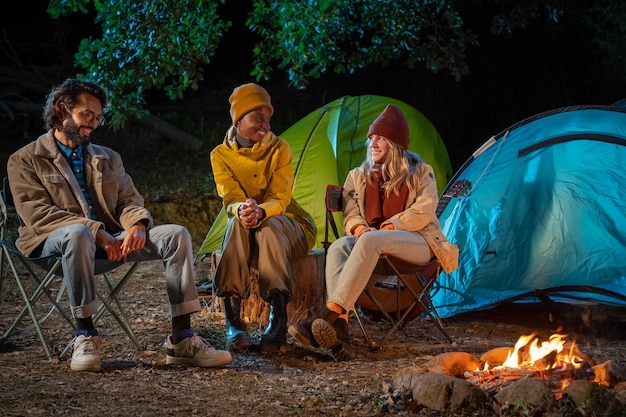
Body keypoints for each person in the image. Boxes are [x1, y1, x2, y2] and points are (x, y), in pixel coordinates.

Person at [7, 78, 232, 371]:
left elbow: (128, 200)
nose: (94, 123)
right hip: (53, 242)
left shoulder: (108, 157)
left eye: (98, 117)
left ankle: (182, 339)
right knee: (78, 233)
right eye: (87, 114)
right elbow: (37, 214)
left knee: (176, 234)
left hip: (113, 240)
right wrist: (95, 231)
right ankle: (85, 334)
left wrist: (137, 224)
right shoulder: (25, 159)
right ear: (63, 110)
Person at [288, 104, 459, 357]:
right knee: (338, 246)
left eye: (380, 138)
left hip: (417, 242)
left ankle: (327, 314)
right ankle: (341, 332)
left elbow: (424, 210)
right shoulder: (357, 176)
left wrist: (391, 225)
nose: (373, 144)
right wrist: (357, 228)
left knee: (371, 240)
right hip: (371, 244)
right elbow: (351, 213)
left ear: (396, 142)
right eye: (371, 139)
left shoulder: (421, 172)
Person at [210, 83, 316, 352]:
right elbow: (229, 197)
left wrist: (261, 211)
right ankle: (234, 321)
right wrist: (242, 210)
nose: (265, 126)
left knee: (268, 226)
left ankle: (277, 320)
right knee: (234, 224)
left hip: (289, 225)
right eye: (258, 118)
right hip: (246, 226)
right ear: (239, 119)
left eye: (268, 119)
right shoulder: (220, 155)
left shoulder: (279, 148)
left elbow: (281, 197)